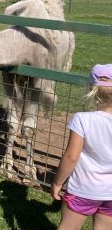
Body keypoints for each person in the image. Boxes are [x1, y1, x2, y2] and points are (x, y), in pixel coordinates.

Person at [51, 64, 112, 230]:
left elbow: (71, 157)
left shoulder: (82, 119)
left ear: (92, 91)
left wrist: (58, 182)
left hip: (83, 190)